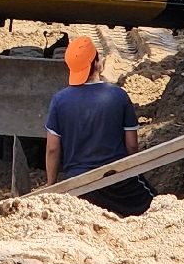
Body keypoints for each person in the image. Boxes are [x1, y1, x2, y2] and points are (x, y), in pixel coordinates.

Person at [43, 37, 152, 216]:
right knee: (155, 204)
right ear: (97, 64)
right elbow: (132, 145)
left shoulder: (59, 100)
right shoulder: (118, 96)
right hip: (117, 182)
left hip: (78, 188)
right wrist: (132, 173)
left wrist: (52, 186)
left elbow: (52, 149)